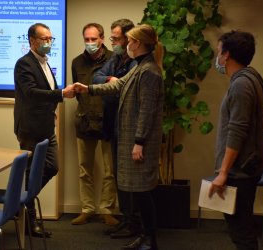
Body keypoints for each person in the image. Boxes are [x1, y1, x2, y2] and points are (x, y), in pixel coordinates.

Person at [74, 23, 164, 250]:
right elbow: (119, 85)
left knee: (144, 195)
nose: (127, 45)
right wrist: (88, 88)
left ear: (138, 43)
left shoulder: (150, 71)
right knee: (140, 193)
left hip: (140, 142)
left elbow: (146, 110)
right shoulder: (140, 67)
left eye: (130, 41)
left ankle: (150, 240)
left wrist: (139, 142)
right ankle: (145, 237)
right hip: (132, 139)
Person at [209, 30, 263, 250]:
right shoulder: (251, 77)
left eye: (218, 52)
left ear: (226, 55)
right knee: (242, 229)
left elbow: (237, 131)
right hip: (246, 168)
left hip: (239, 171)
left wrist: (223, 172)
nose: (217, 57)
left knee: (241, 232)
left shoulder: (241, 85)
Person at [13, 22, 75, 238]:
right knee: (30, 171)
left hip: (47, 126)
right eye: (45, 39)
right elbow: (31, 92)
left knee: (53, 166)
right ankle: (29, 220)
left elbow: (45, 93)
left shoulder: (46, 63)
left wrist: (53, 108)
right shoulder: (24, 64)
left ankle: (23, 200)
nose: (49, 42)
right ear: (32, 41)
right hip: (30, 128)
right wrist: (61, 94)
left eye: (51, 39)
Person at [92, 19, 141, 239]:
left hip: (129, 129)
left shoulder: (136, 62)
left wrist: (113, 84)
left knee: (129, 179)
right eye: (111, 38)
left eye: (116, 38)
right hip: (113, 125)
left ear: (129, 38)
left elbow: (123, 90)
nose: (113, 42)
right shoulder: (116, 58)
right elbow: (97, 77)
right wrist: (112, 80)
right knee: (120, 177)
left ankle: (134, 223)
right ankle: (126, 219)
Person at [71, 22, 119, 226]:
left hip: (108, 121)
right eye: (86, 39)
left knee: (111, 170)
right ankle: (87, 209)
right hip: (85, 121)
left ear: (101, 38)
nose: (90, 43)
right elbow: (78, 93)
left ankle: (107, 210)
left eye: (93, 39)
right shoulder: (77, 62)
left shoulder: (114, 59)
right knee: (84, 170)